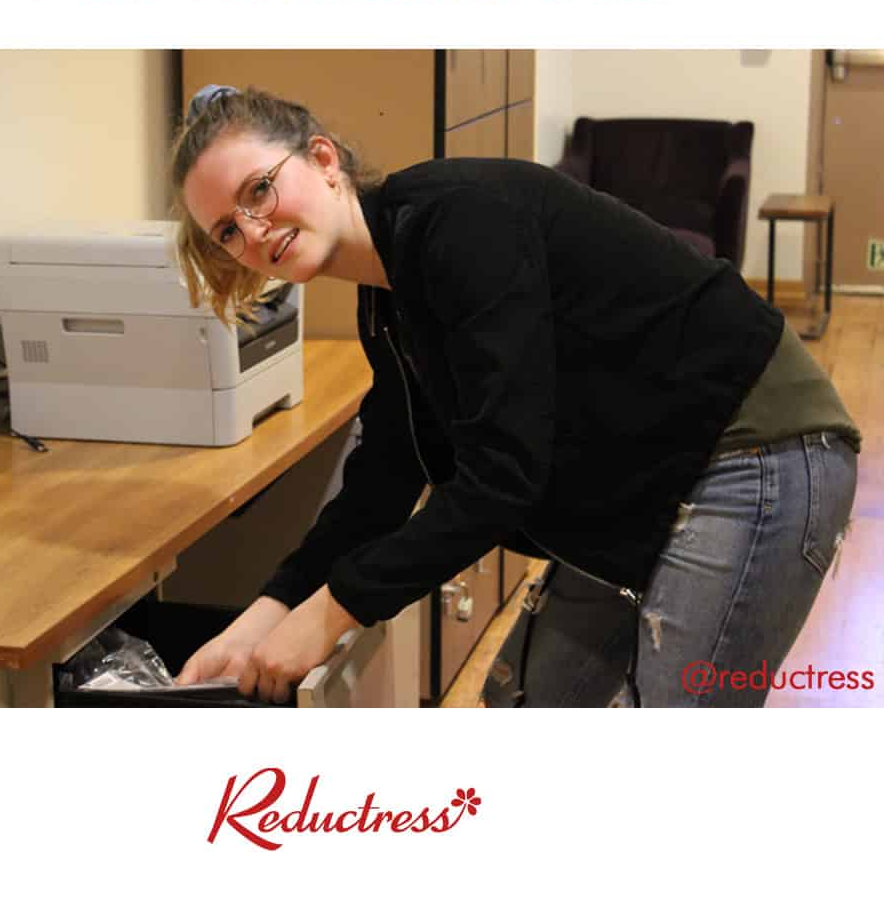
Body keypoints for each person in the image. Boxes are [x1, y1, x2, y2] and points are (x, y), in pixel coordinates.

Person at [168, 84, 860, 707]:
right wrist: (264, 613)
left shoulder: (460, 222)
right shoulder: (387, 300)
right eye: (226, 230)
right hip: (651, 470)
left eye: (259, 190)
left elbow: (502, 478)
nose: (252, 232)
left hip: (755, 449)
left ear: (322, 159)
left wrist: (331, 613)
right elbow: (382, 481)